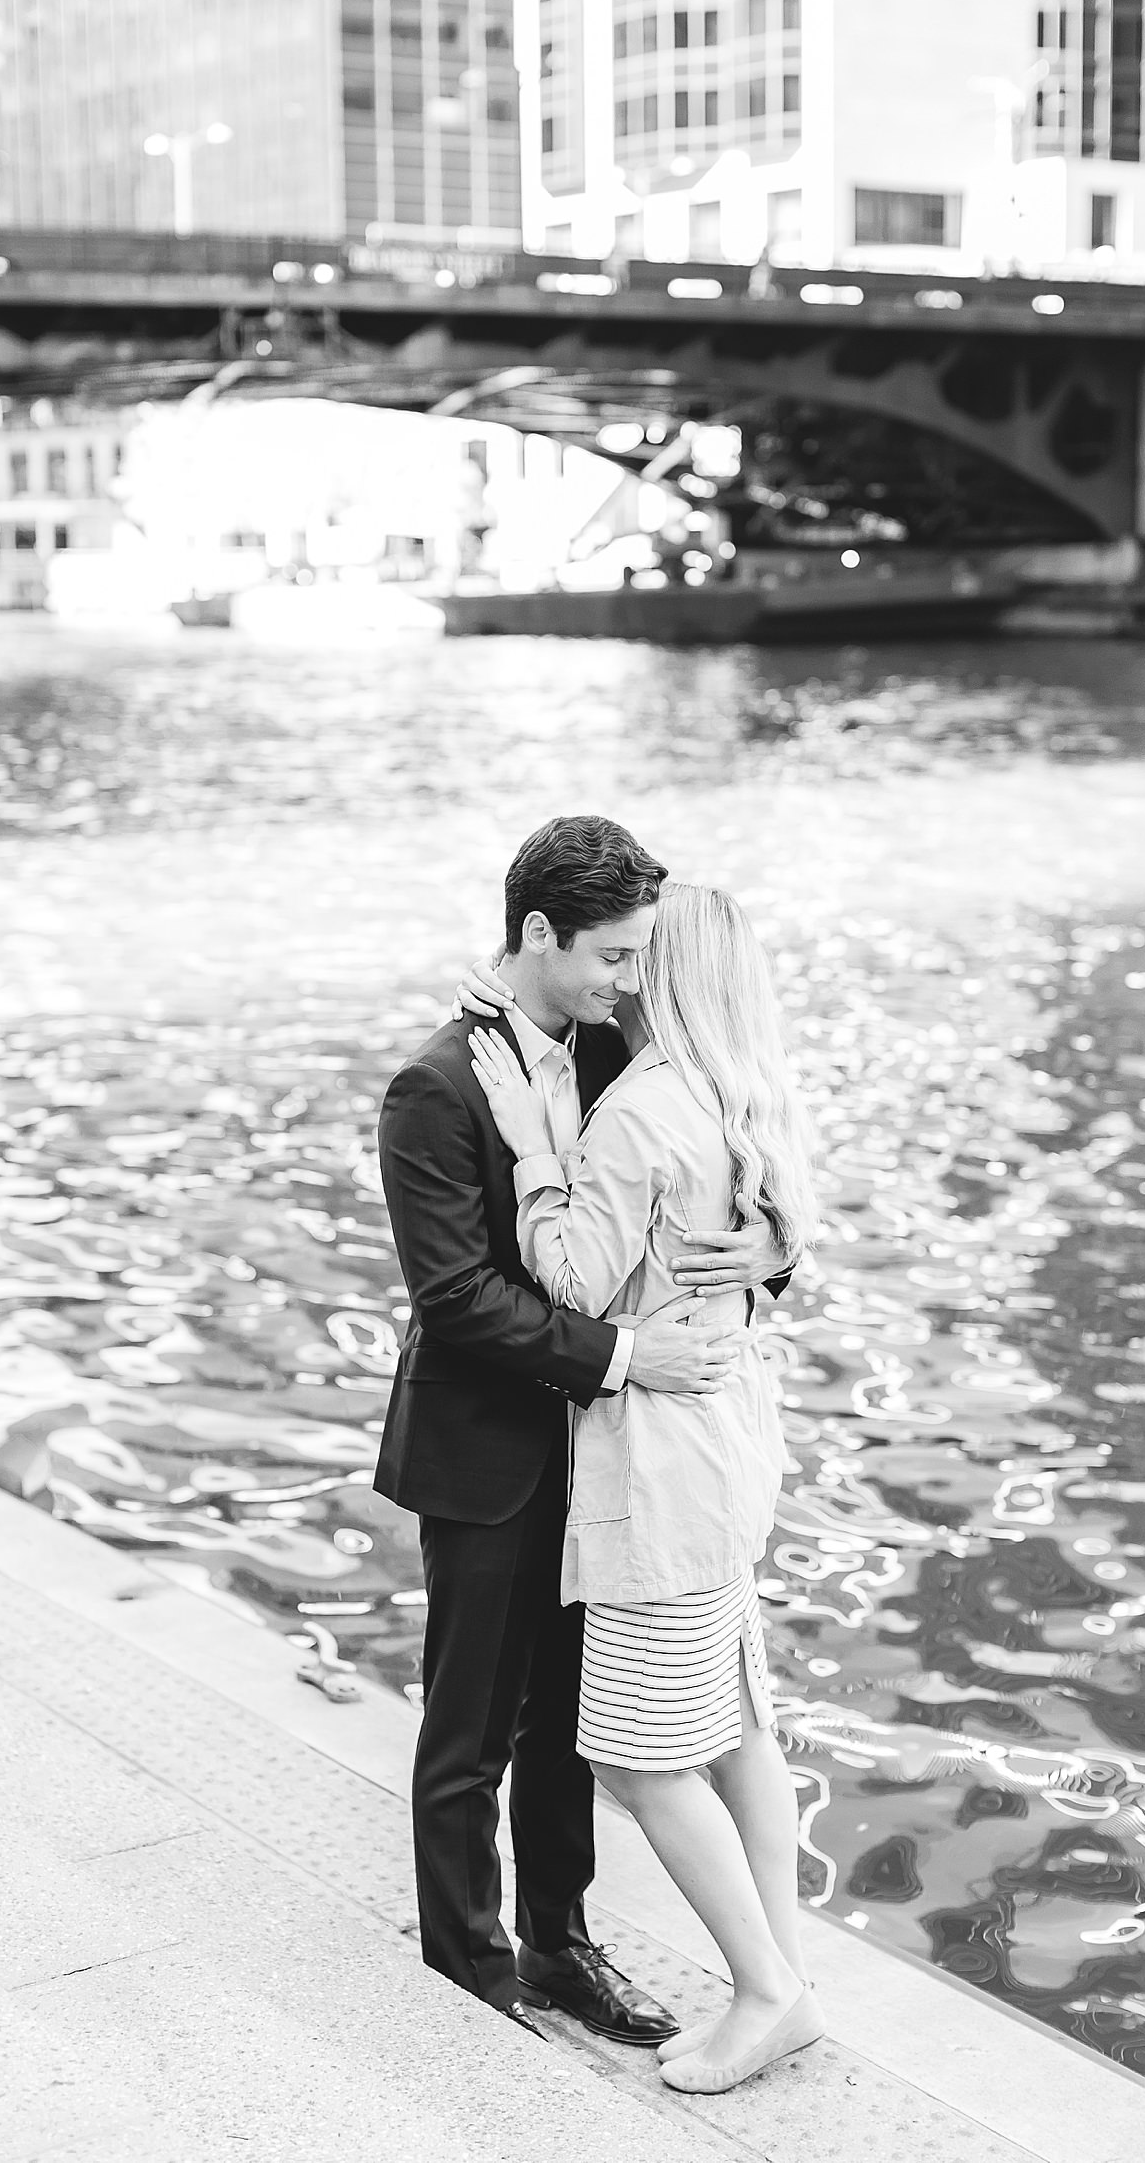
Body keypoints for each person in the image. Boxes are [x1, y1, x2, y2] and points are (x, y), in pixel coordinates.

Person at [375, 816, 783, 2042]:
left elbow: (700, 1192)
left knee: (574, 1725)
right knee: (473, 1730)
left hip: (613, 1461)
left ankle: (561, 1949)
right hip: (492, 1454)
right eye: (610, 956)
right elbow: (454, 1301)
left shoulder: (616, 1059)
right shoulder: (436, 1085)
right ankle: (472, 1974)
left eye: (640, 955)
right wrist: (623, 1358)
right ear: (537, 935)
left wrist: (773, 1249)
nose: (629, 980)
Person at [468, 880, 824, 2095]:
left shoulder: (643, 1111)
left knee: (635, 1756)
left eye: (635, 959)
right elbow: (772, 1234)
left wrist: (529, 1148)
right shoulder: (745, 1090)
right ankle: (786, 1972)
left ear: (665, 977)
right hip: (733, 1445)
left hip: (661, 1469)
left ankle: (766, 1992)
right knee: (736, 1724)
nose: (616, 976)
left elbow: (569, 1279)